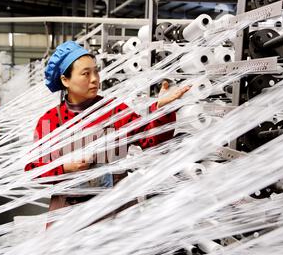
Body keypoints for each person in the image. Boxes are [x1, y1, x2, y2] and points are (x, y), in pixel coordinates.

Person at [25, 41, 189, 212]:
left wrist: (162, 110)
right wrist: (66, 168)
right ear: (65, 80)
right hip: (68, 214)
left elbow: (152, 141)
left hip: (115, 209)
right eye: (85, 74)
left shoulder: (114, 111)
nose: (95, 79)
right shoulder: (51, 120)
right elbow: (34, 171)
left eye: (96, 71)